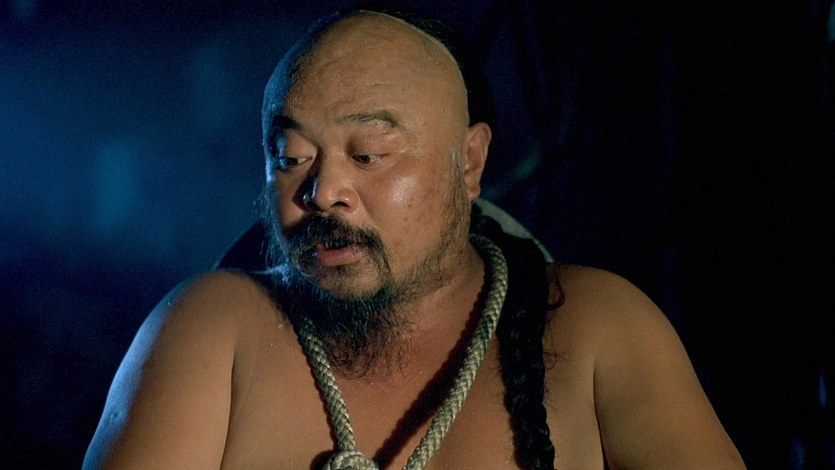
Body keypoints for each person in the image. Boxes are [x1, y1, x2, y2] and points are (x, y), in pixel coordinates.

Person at [83, 5, 746, 469]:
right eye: (291, 158)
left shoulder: (597, 326)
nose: (322, 191)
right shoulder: (209, 329)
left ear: (470, 163)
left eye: (369, 154)